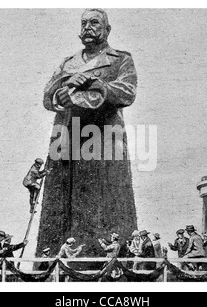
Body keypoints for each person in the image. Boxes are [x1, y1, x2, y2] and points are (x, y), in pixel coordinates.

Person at [37, 8, 138, 258]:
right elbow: (47, 96)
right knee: (60, 198)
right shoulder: (68, 62)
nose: (88, 28)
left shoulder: (120, 59)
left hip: (102, 138)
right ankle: (51, 264)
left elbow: (126, 91)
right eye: (84, 23)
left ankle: (107, 265)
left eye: (94, 22)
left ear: (107, 29)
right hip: (66, 137)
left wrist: (89, 86)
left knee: (104, 197)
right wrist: (59, 94)